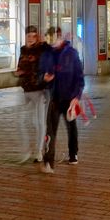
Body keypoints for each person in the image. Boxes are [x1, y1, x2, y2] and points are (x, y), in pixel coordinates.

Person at [39, 27, 84, 173]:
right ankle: (48, 161)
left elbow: (79, 78)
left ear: (60, 38)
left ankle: (73, 154)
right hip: (54, 98)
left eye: (54, 39)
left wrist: (76, 97)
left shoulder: (71, 54)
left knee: (71, 127)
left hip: (69, 98)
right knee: (50, 130)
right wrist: (44, 79)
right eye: (49, 39)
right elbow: (41, 73)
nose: (52, 43)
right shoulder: (47, 54)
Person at [15, 25, 49, 163]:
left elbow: (45, 63)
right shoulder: (23, 50)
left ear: (37, 36)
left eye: (33, 36)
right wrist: (19, 72)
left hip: (40, 90)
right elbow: (20, 65)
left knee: (40, 122)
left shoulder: (42, 49)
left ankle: (39, 151)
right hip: (27, 90)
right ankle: (27, 150)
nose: (30, 38)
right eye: (28, 36)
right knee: (21, 121)